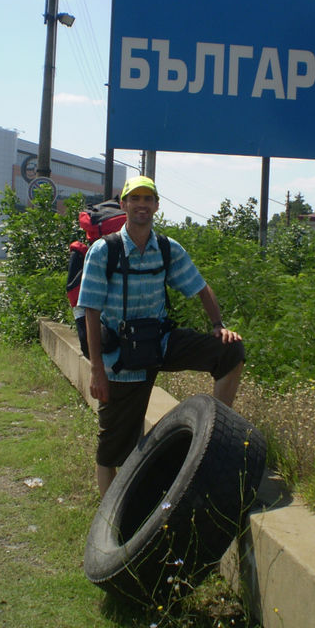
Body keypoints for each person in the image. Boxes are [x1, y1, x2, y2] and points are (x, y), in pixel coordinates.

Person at [77, 176, 245, 496]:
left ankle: (213, 439)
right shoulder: (104, 251)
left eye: (148, 198)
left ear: (156, 205)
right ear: (124, 204)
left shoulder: (167, 248)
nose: (142, 204)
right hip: (121, 361)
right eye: (135, 198)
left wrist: (218, 325)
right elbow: (91, 312)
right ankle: (110, 523)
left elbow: (200, 287)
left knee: (230, 352)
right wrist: (97, 368)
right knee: (113, 447)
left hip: (159, 344)